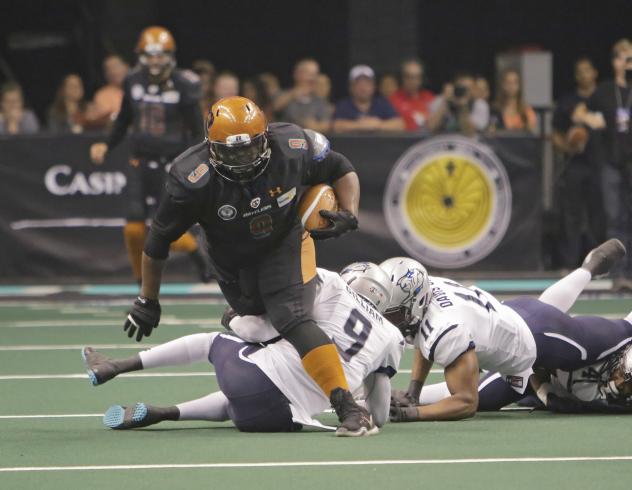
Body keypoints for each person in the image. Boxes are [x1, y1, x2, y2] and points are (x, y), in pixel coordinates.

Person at [123, 95, 374, 436]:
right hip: (231, 259)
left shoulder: (292, 146)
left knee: (292, 318)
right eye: (230, 151)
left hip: (284, 241)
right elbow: (156, 242)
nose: (241, 159)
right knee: (255, 317)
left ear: (265, 138)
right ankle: (238, 316)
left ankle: (347, 406)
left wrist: (350, 212)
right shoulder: (191, 178)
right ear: (210, 147)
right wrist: (147, 300)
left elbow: (341, 167)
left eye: (249, 148)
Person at [82, 265, 403, 434]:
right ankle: (168, 413)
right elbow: (379, 415)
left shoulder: (331, 282)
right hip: (277, 417)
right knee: (236, 405)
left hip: (253, 383)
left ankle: (116, 366)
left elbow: (256, 330)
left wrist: (232, 320)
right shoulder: (391, 335)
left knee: (213, 342)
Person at [359, 240, 629, 422]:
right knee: (490, 397)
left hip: (543, 336)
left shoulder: (445, 328)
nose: (386, 317)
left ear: (413, 302)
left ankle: (590, 266)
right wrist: (413, 392)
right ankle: (589, 267)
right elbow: (423, 334)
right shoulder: (427, 287)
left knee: (624, 332)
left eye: (392, 311)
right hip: (513, 324)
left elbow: (466, 402)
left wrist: (412, 414)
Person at [89, 26, 208, 284]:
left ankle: (195, 253)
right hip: (140, 159)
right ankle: (140, 282)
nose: (155, 61)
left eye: (160, 54)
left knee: (166, 228)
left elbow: (198, 130)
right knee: (133, 229)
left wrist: (195, 160)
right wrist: (106, 145)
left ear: (170, 55)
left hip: (172, 162)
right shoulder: (133, 80)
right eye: (150, 55)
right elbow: (123, 120)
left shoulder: (184, 84)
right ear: (141, 56)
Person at [552, 58, 605, 269]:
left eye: (587, 71)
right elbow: (555, 133)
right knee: (571, 215)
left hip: (600, 164)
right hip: (575, 165)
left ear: (595, 73)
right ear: (576, 77)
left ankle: (598, 265)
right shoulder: (567, 102)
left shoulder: (604, 98)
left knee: (598, 215)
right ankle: (569, 264)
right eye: (579, 72)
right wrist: (568, 146)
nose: (584, 75)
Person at [587, 39, 632, 291]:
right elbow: (582, 110)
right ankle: (618, 276)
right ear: (615, 61)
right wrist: (589, 119)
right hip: (611, 163)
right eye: (624, 58)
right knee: (614, 218)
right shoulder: (605, 90)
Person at [332, 65, 404, 133]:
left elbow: (399, 124)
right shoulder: (343, 105)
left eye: (367, 84)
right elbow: (336, 126)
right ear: (351, 87)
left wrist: (377, 124)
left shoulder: (382, 103)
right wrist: (360, 125)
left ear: (374, 86)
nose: (363, 88)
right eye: (359, 84)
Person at [273, 59, 331, 133]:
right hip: (284, 139)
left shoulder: (319, 101)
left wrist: (315, 126)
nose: (312, 78)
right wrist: (293, 94)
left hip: (310, 140)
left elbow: (326, 124)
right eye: (308, 74)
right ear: (297, 74)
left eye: (315, 74)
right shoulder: (282, 95)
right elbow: (273, 108)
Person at [389, 58, 435, 131]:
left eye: (417, 77)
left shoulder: (428, 96)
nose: (413, 81)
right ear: (402, 78)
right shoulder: (393, 99)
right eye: (409, 77)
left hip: (427, 140)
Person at [88, 55, 129, 129]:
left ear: (126, 67)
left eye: (116, 66)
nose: (113, 72)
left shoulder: (138, 90)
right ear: (106, 75)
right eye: (108, 69)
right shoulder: (102, 95)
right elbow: (108, 120)